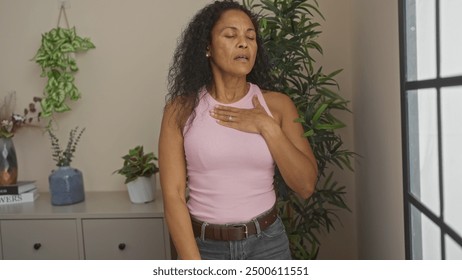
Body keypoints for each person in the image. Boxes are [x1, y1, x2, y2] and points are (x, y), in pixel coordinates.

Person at [159, 0, 318, 260]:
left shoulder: (277, 106)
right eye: (231, 35)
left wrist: (267, 126)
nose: (244, 43)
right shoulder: (180, 110)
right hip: (203, 246)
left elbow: (306, 186)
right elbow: (173, 195)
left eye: (251, 37)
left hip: (268, 245)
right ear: (207, 47)